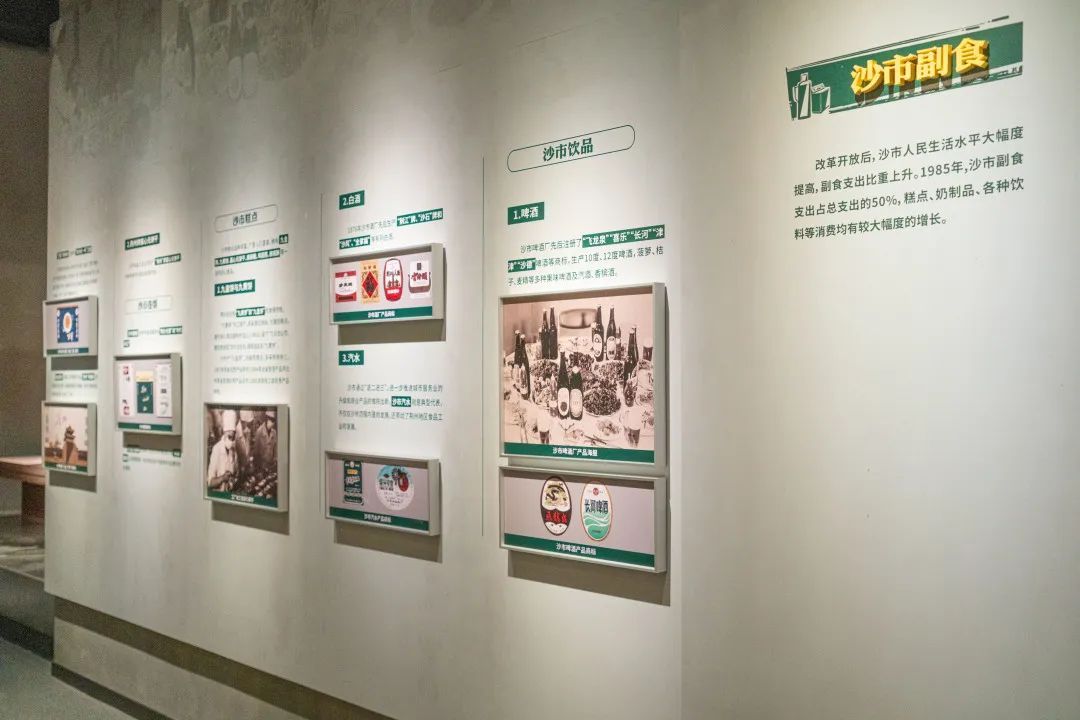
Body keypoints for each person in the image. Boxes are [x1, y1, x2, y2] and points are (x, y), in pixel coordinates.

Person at [206, 410, 237, 489]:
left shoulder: (233, 449)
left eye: (233, 437)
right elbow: (210, 483)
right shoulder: (217, 449)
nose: (231, 440)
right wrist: (222, 478)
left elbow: (236, 472)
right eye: (229, 437)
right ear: (224, 433)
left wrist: (233, 478)